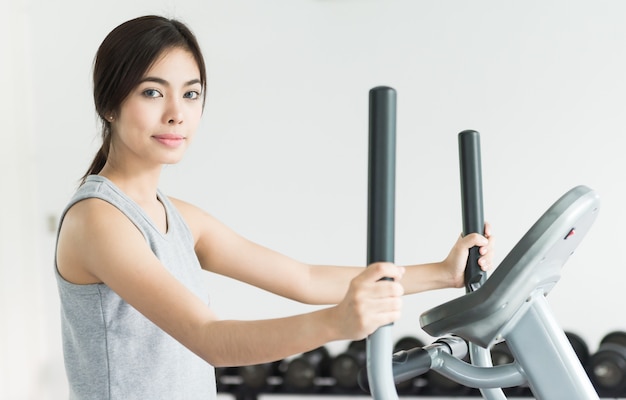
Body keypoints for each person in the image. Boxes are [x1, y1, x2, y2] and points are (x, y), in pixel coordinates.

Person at [54, 15, 494, 400]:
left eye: (191, 94)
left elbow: (304, 279)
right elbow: (209, 339)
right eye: (152, 92)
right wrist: (337, 323)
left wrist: (442, 273)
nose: (176, 114)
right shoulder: (98, 219)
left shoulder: (180, 218)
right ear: (109, 104)